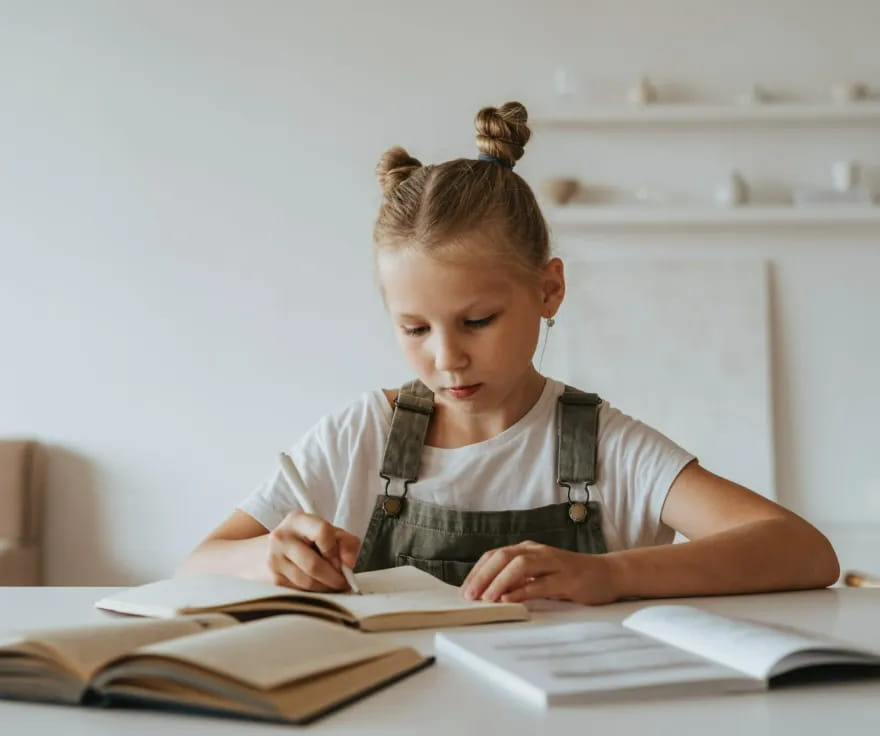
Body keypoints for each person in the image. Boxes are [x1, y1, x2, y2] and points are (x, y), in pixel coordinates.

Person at [178, 102, 839, 605]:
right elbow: (198, 562)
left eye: (476, 320)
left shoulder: (603, 445)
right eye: (414, 329)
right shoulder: (361, 436)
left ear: (548, 289)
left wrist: (606, 573)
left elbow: (804, 552)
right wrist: (266, 557)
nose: (447, 359)